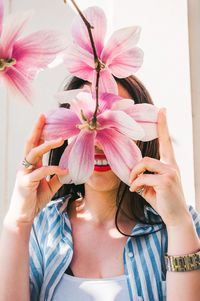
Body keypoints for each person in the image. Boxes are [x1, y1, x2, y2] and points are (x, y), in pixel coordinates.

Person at [0, 75, 200, 301]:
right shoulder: (42, 228)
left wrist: (178, 224)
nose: (96, 141)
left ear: (142, 135)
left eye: (116, 121)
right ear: (64, 135)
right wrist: (18, 221)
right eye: (85, 118)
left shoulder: (181, 225)